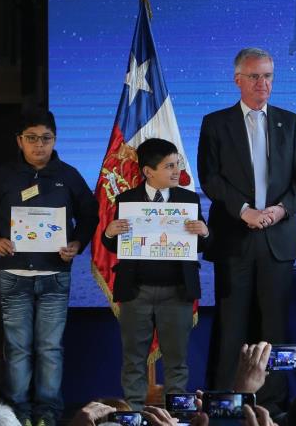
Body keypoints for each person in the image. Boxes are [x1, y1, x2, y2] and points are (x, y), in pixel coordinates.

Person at [198, 47, 296, 412]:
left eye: (268, 76)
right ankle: (225, 400)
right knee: (231, 325)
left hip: (277, 240)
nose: (262, 83)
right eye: (254, 76)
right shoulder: (216, 123)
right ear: (238, 80)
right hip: (234, 238)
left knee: (274, 328)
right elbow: (210, 178)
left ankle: (272, 404)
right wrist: (244, 211)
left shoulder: (290, 122)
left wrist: (281, 209)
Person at [0, 109, 98, 426]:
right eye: (32, 138)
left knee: (50, 349)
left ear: (55, 140)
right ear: (19, 140)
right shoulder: (3, 176)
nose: (39, 145)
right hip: (14, 276)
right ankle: (18, 413)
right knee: (18, 349)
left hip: (55, 276)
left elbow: (90, 213)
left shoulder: (68, 175)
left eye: (46, 138)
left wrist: (78, 243)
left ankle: (48, 414)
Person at [100, 138, 211, 409]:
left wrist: (205, 233)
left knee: (177, 360)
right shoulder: (126, 200)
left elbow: (202, 245)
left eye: (177, 165)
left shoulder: (188, 199)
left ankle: (175, 414)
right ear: (148, 171)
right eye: (169, 166)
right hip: (136, 291)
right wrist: (109, 233)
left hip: (177, 291)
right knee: (133, 359)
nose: (177, 171)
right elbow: (114, 245)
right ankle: (135, 413)